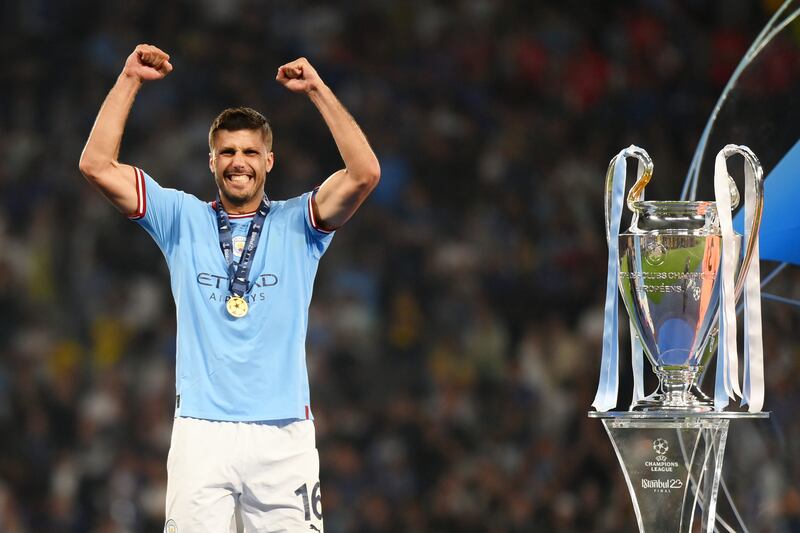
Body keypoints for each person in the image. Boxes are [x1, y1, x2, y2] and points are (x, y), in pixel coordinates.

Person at [79, 43, 380, 533]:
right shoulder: (181, 218)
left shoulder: (300, 222)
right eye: (228, 152)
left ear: (269, 160)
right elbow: (96, 165)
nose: (239, 162)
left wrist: (318, 91)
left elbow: (365, 174)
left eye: (250, 152)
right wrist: (129, 78)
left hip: (283, 435)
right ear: (211, 161)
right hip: (202, 433)